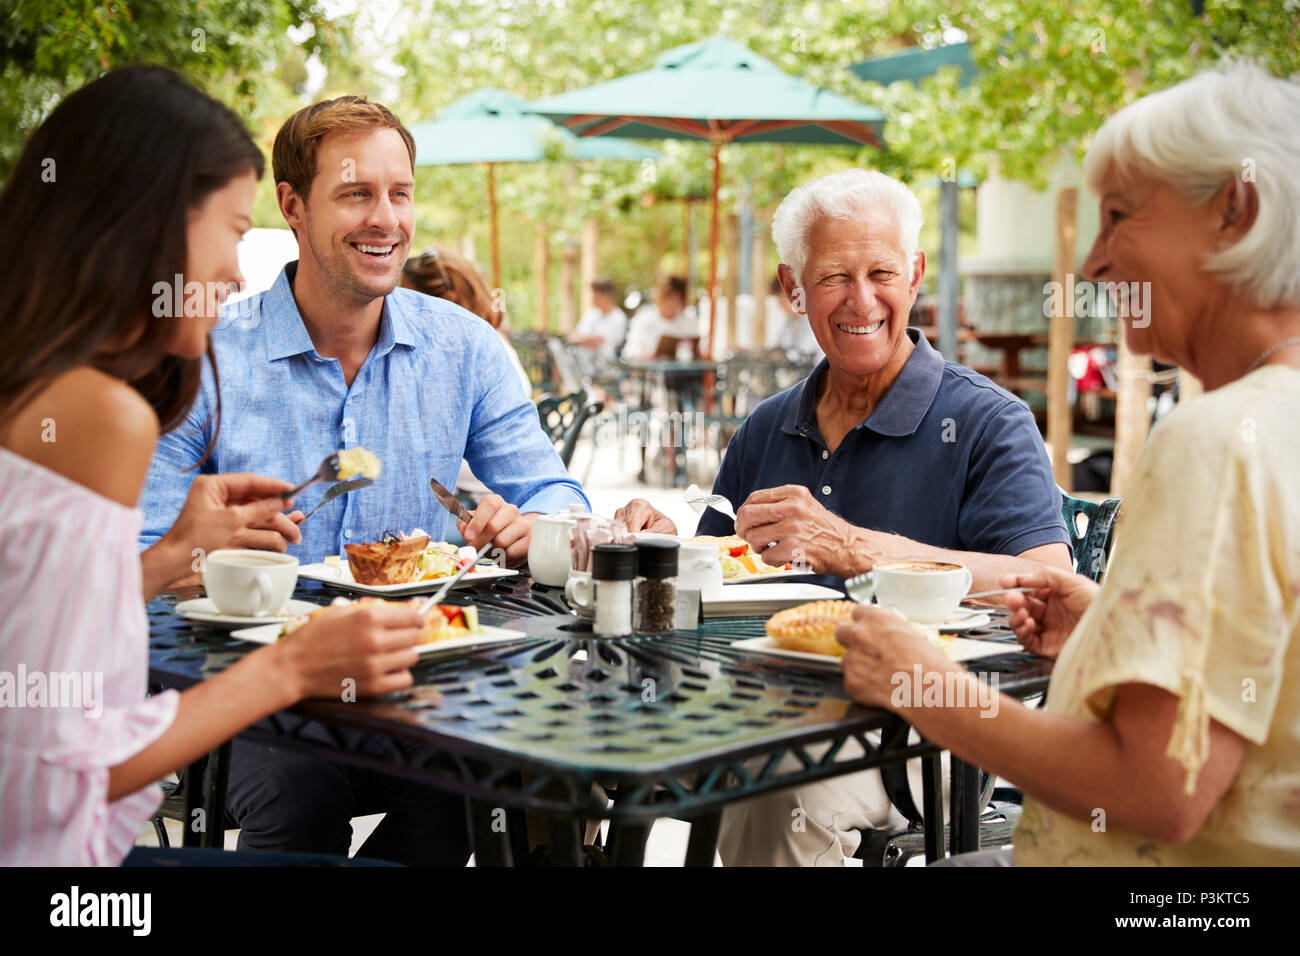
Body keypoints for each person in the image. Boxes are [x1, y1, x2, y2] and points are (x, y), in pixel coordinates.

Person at [838, 60, 1300, 867]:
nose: (1093, 262)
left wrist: (923, 683)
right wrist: (1109, 633)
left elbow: (1158, 790)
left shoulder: (1215, 439)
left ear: (1238, 209)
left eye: (1119, 215)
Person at [137, 95, 589, 863]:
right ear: (292, 206)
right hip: (251, 691)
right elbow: (142, 551)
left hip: (422, 681)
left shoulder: (465, 349)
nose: (386, 219)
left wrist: (532, 526)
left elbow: (559, 498)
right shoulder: (205, 355)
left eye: (399, 193)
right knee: (300, 793)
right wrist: (202, 552)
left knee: (486, 787)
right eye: (355, 193)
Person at [0, 67, 424, 866]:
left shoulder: (32, 384)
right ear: (148, 227)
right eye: (230, 231)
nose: (236, 274)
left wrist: (164, 560)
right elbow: (56, 778)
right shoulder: (100, 414)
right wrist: (292, 668)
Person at [616, 168, 1073, 865]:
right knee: (596, 745)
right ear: (793, 288)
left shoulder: (989, 421)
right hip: (758, 704)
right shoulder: (769, 426)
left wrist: (857, 548)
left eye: (882, 271)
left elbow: (1041, 581)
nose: (862, 300)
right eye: (833, 277)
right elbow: (717, 568)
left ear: (916, 273)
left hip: (927, 728)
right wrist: (664, 546)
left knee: (776, 788)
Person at [402, 246, 532, 506]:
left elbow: (445, 456)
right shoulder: (492, 341)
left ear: (447, 302)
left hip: (478, 499)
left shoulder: (474, 357)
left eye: (409, 301)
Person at [621, 276, 701, 360]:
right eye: (669, 299)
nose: (671, 305)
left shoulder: (690, 321)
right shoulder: (643, 319)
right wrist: (646, 356)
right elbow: (629, 351)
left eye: (676, 301)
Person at [569, 278, 627, 369]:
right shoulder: (592, 314)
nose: (592, 299)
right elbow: (572, 336)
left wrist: (581, 339)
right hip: (581, 366)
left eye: (596, 296)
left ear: (606, 296)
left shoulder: (618, 318)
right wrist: (584, 339)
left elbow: (595, 342)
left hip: (604, 368)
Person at [766, 274, 822, 359]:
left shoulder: (811, 319)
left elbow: (806, 351)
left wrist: (782, 356)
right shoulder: (792, 319)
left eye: (781, 300)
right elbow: (780, 345)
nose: (779, 305)